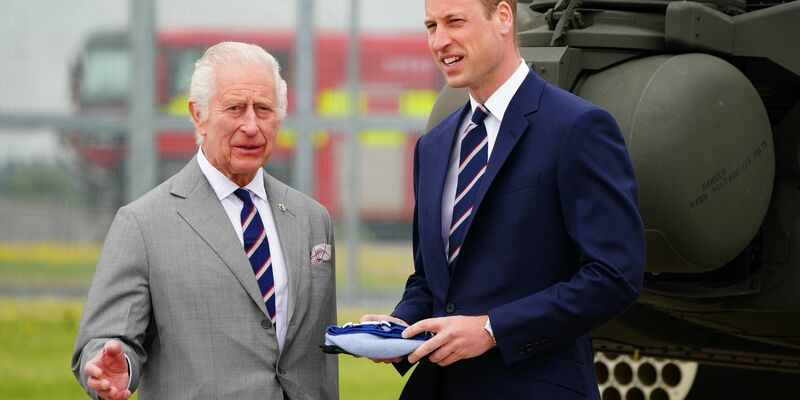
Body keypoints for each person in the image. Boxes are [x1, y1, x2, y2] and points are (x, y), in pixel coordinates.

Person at [361, 0, 645, 398]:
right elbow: (431, 281)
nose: (440, 41)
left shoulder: (578, 127)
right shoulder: (433, 146)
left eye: (455, 21)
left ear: (504, 18)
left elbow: (614, 276)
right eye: (431, 26)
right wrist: (398, 327)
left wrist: (493, 330)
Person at [72, 42, 337, 400]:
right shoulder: (143, 225)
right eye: (235, 108)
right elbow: (106, 340)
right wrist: (114, 369)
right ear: (198, 115)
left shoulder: (312, 219)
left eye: (263, 109)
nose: (251, 126)